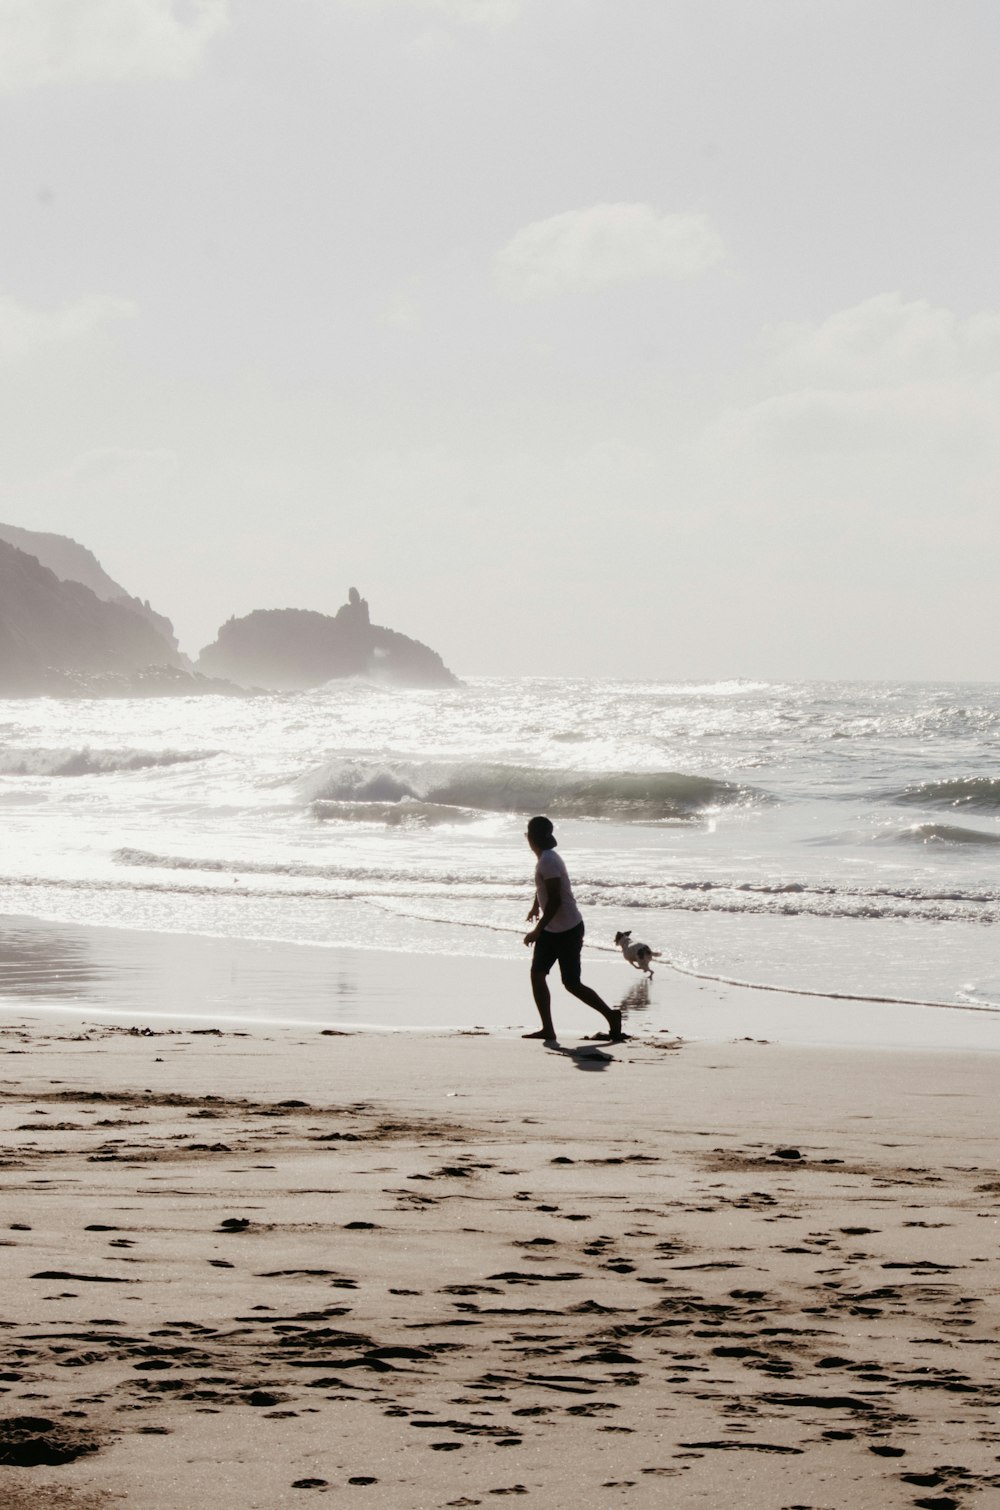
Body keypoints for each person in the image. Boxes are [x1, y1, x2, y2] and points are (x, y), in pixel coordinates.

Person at [522, 815, 623, 1042]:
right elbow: (544, 889)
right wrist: (535, 906)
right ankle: (547, 1029)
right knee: (537, 974)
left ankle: (612, 1015)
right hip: (553, 929)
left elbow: (556, 898)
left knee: (571, 983)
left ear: (530, 837)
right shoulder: (545, 859)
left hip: (568, 929)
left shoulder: (548, 860)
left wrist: (537, 929)